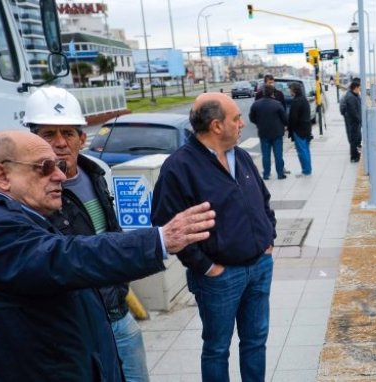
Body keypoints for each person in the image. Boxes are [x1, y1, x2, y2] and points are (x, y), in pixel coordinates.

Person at [0, 130, 215, 381]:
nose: (60, 176)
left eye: (58, 166)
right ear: (2, 176)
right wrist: (159, 240)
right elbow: (67, 258)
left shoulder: (22, 214)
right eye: (45, 167)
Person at [25, 87, 149, 381]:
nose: (60, 143)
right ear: (33, 139)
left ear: (82, 138)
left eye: (68, 133)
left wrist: (120, 288)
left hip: (116, 313)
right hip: (72, 324)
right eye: (48, 134)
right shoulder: (29, 190)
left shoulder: (97, 172)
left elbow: (111, 234)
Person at [151, 92, 276, 382]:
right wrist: (207, 267)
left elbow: (263, 199)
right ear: (217, 126)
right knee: (217, 349)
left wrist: (268, 239)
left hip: (259, 266)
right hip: (219, 278)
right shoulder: (179, 167)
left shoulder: (241, 156)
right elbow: (166, 225)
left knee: (256, 341)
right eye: (236, 118)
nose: (242, 124)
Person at [250, 84, 288, 180]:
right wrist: (284, 125)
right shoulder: (277, 104)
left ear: (263, 93)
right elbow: (284, 118)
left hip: (263, 132)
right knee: (278, 154)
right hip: (277, 132)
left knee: (266, 155)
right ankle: (280, 174)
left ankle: (266, 174)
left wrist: (258, 123)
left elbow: (251, 118)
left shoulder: (256, 104)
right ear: (272, 93)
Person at [288, 81, 313, 176]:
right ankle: (308, 169)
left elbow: (293, 118)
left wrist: (290, 128)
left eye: (290, 89)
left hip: (299, 129)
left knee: (302, 151)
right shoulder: (304, 99)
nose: (289, 91)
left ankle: (306, 170)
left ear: (294, 90)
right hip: (306, 128)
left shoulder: (296, 101)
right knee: (306, 149)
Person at [342, 80, 363, 163]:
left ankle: (357, 154)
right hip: (354, 122)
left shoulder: (355, 95)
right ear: (355, 88)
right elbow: (353, 111)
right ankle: (354, 157)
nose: (360, 90)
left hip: (356, 122)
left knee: (357, 139)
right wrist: (359, 119)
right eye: (359, 88)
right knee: (354, 140)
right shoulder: (351, 97)